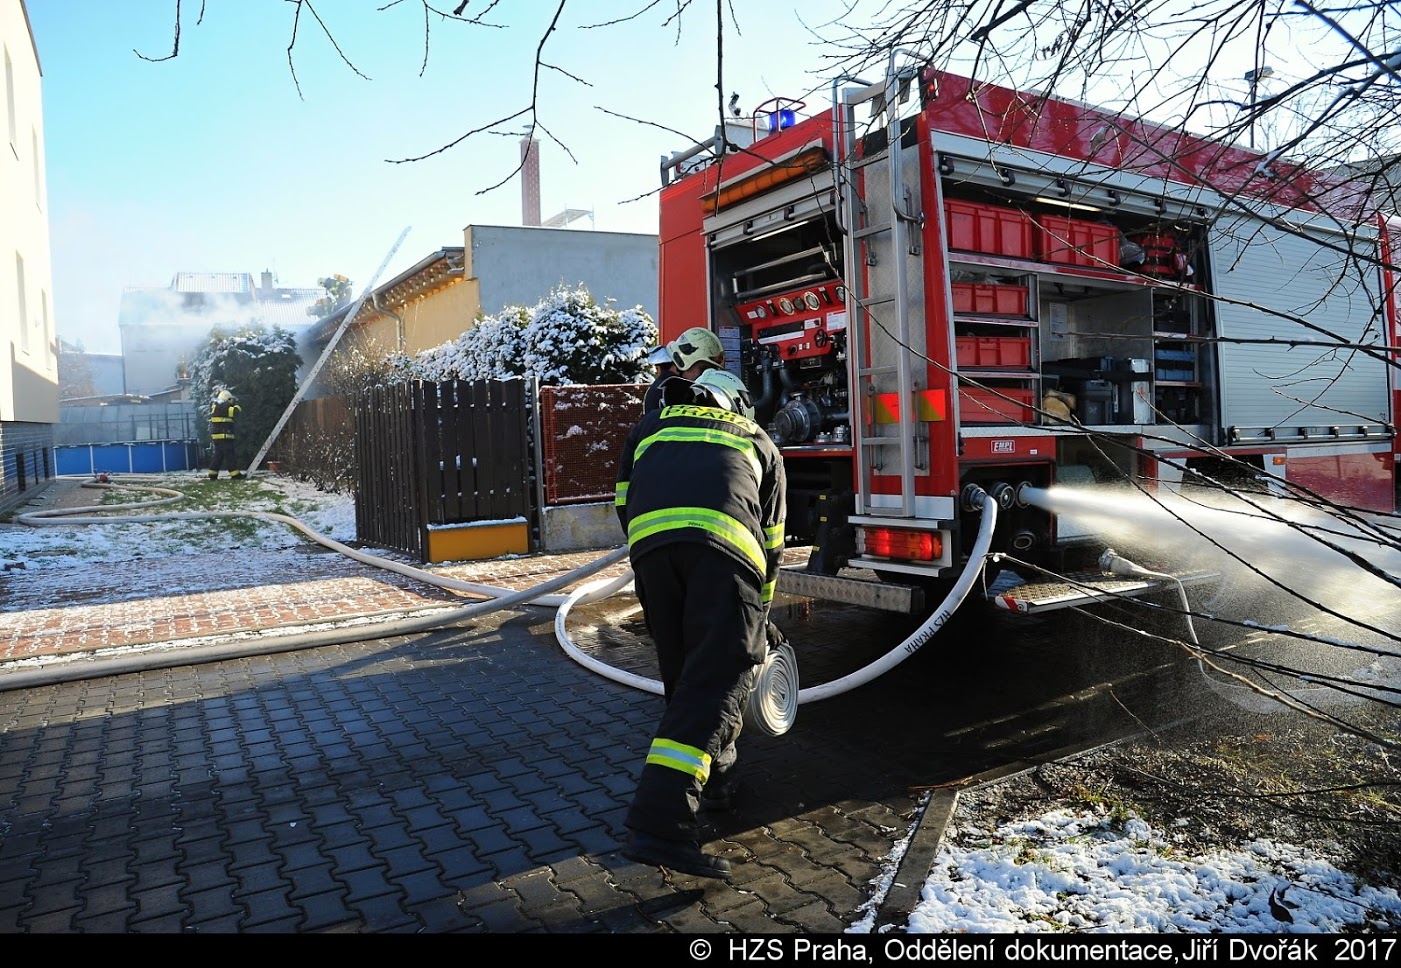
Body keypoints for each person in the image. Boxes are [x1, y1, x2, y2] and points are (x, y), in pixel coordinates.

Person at [614, 367, 786, 880]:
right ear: (735, 403)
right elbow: (772, 543)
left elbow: (624, 501)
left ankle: (715, 781)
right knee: (718, 680)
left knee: (687, 678)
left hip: (652, 554)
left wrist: (655, 553)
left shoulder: (649, 427)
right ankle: (660, 823)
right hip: (727, 556)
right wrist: (760, 617)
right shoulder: (757, 439)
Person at [642, 326, 725, 413]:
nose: (706, 376)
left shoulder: (675, 386)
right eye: (704, 369)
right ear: (685, 361)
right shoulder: (670, 392)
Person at [207, 389, 244, 480]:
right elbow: (236, 411)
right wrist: (236, 405)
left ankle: (212, 473)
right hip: (224, 436)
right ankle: (235, 474)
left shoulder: (216, 406)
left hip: (217, 436)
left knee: (218, 456)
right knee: (230, 455)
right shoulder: (224, 406)